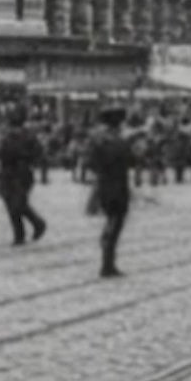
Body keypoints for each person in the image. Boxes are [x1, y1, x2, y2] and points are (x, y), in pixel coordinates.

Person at [83, 104, 134, 279]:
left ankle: (107, 252)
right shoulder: (120, 141)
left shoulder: (96, 140)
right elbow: (132, 160)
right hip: (118, 185)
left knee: (110, 219)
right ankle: (108, 264)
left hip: (103, 185)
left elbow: (89, 162)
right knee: (116, 222)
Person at [0, 104, 46, 246]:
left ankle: (37, 223)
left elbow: (38, 152)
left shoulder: (28, 135)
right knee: (10, 204)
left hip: (21, 172)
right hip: (7, 172)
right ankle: (19, 234)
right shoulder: (5, 135)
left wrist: (26, 158)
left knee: (18, 203)